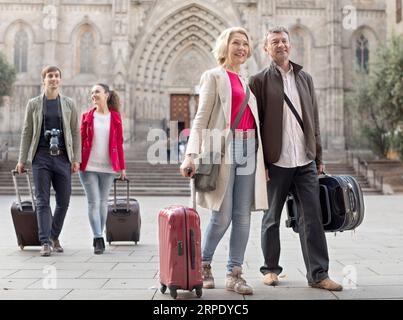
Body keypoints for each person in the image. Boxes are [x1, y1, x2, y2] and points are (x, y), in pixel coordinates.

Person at [249, 26, 343, 291]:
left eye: (284, 41)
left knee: (312, 218)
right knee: (271, 218)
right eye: (274, 42)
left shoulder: (305, 78)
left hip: (305, 161)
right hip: (275, 162)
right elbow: (255, 126)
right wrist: (260, 164)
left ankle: (318, 274)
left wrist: (319, 156)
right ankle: (270, 269)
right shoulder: (258, 81)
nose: (280, 45)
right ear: (266, 48)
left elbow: (313, 120)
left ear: (290, 45)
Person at [180, 27, 268, 295]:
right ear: (225, 46)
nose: (241, 48)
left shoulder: (246, 81)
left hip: (249, 147)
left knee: (243, 217)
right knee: (222, 215)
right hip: (224, 148)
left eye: (245, 43)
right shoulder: (214, 77)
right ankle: (202, 264)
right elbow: (201, 119)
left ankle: (235, 273)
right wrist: (190, 155)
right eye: (235, 43)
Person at [16, 65, 81, 257]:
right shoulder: (34, 103)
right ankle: (45, 242)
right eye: (50, 76)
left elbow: (75, 132)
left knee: (64, 200)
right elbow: (27, 131)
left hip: (63, 157)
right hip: (41, 157)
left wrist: (76, 158)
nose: (53, 79)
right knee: (42, 201)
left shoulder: (69, 104)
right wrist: (22, 159)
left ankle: (53, 236)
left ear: (60, 80)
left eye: (57, 76)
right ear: (43, 80)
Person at [79, 84, 126, 254]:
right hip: (88, 165)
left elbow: (119, 143)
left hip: (108, 166)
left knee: (103, 202)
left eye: (97, 92)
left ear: (106, 94)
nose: (93, 95)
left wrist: (122, 167)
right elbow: (80, 140)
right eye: (91, 92)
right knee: (93, 202)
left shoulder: (116, 117)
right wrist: (76, 161)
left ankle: (99, 234)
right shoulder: (86, 116)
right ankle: (98, 237)